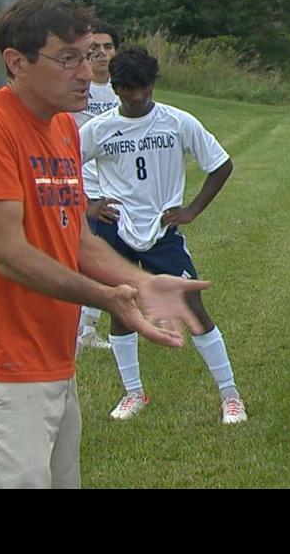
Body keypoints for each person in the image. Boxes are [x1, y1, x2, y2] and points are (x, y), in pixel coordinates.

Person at [0, 0, 207, 489]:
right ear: (16, 63)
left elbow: (76, 240)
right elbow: (11, 254)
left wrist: (141, 283)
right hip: (0, 359)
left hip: (52, 354)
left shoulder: (63, 126)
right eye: (68, 59)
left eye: (89, 55)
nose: (87, 72)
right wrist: (107, 298)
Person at [80, 48, 245, 424]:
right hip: (115, 229)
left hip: (162, 231)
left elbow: (221, 165)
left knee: (191, 306)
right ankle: (133, 393)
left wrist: (191, 211)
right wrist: (88, 205)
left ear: (153, 84)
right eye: (127, 89)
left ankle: (230, 395)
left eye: (144, 88)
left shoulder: (177, 122)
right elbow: (65, 164)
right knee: (120, 307)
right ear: (116, 88)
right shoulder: (98, 128)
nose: (137, 97)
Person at [74, 22, 123, 352]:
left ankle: (86, 328)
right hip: (81, 184)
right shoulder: (76, 86)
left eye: (107, 47)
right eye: (95, 49)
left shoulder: (123, 88)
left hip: (113, 187)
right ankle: (76, 329)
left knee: (107, 259)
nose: (101, 54)